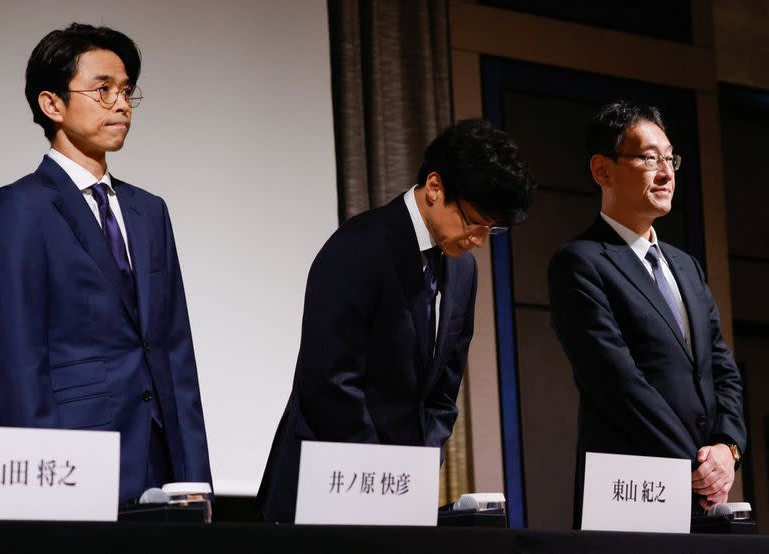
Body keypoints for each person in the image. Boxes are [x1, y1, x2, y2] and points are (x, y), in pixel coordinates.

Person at [0, 23, 212, 504]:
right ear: (52, 104)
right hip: (76, 459)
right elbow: (16, 362)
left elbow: (174, 351)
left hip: (162, 458)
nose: (122, 104)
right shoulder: (20, 208)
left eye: (127, 91)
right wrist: (44, 484)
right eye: (103, 90)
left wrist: (197, 480)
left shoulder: (150, 211)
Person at [257, 119, 535, 522]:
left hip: (396, 494)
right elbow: (330, 382)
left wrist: (417, 469)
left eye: (491, 230)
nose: (477, 239)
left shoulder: (463, 273)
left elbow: (442, 394)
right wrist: (380, 476)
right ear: (436, 187)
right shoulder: (359, 244)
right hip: (325, 490)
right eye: (473, 221)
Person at [548, 101, 746, 527]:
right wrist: (698, 463)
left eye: (670, 158)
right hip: (632, 490)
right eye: (648, 157)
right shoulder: (580, 262)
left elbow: (721, 367)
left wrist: (728, 447)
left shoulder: (687, 266)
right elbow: (617, 383)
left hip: (704, 491)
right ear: (602, 170)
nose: (666, 171)